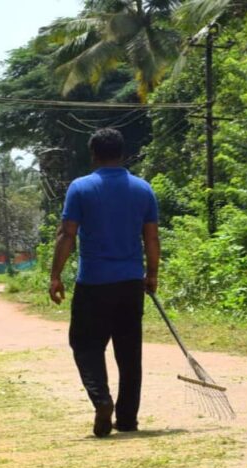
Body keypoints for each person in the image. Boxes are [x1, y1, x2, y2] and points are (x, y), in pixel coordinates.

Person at [48, 128, 160, 438]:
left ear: (94, 154)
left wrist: (55, 275)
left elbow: (67, 234)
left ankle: (101, 400)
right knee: (129, 353)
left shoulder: (81, 188)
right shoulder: (143, 189)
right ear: (123, 154)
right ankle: (126, 419)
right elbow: (151, 237)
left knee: (85, 346)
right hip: (130, 284)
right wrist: (152, 275)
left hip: (94, 284)